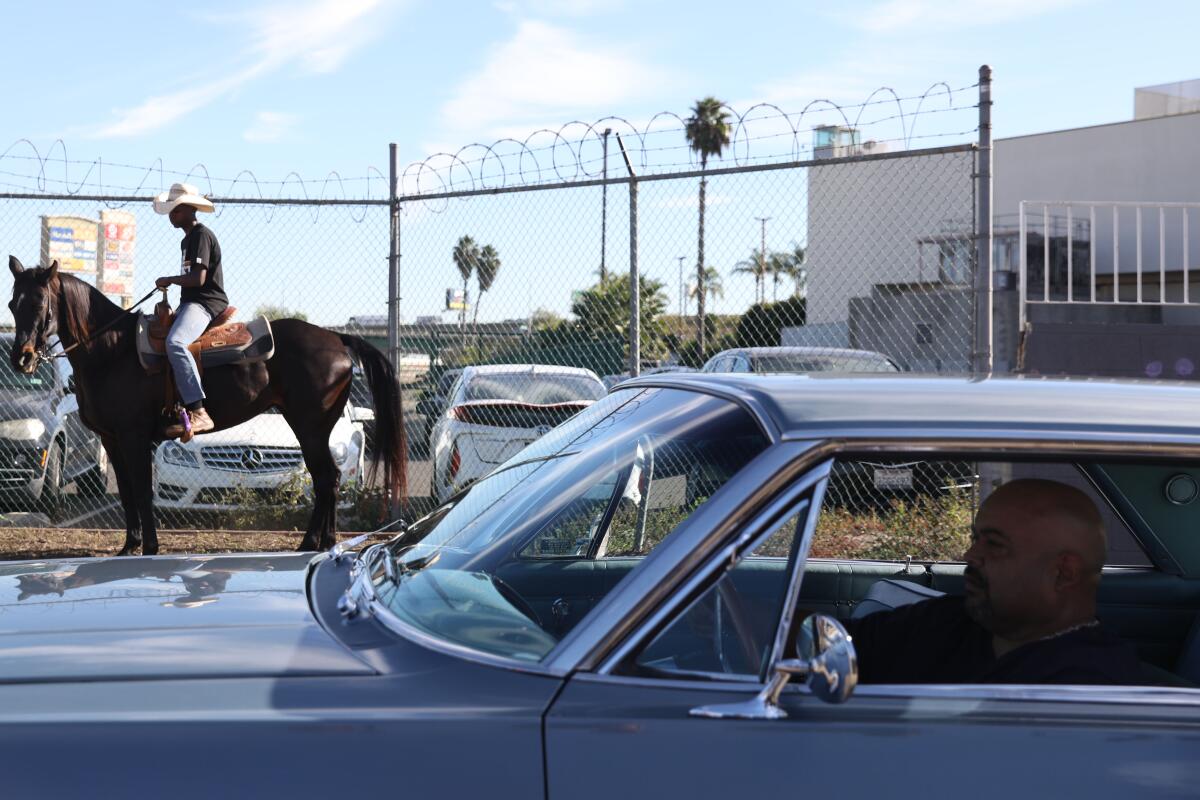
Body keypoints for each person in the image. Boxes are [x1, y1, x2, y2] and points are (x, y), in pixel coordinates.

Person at [845, 478, 1143, 685]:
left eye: (994, 544)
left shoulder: (1089, 686)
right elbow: (833, 645)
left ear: (1063, 573)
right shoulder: (948, 620)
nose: (970, 555)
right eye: (976, 539)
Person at [152, 182, 229, 438]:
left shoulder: (200, 235)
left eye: (175, 211)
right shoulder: (188, 239)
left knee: (175, 343)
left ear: (187, 209)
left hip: (206, 302)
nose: (171, 216)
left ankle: (198, 411)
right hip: (192, 302)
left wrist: (170, 280)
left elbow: (199, 280)